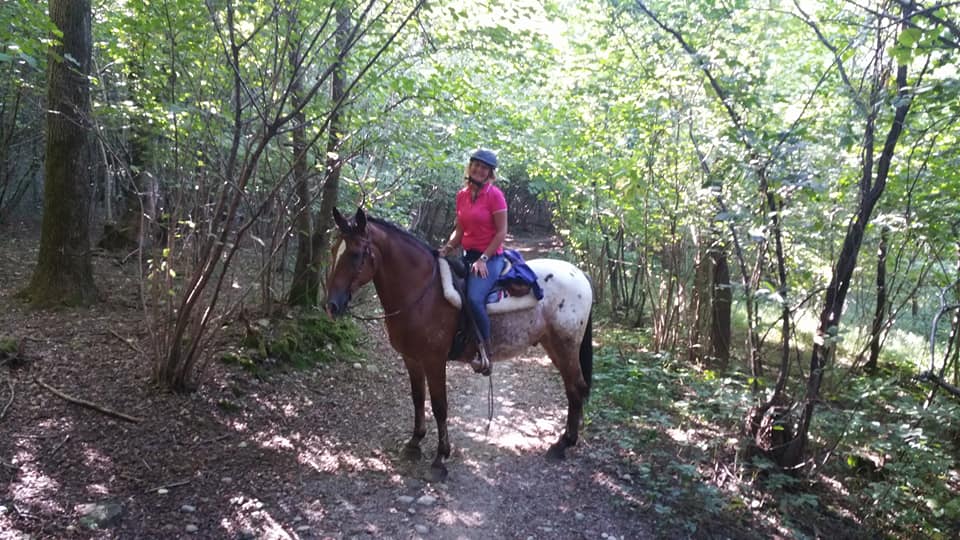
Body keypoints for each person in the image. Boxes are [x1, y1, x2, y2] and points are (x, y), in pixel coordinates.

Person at [438, 149, 507, 375]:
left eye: (484, 167)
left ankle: (486, 352)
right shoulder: (462, 195)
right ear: (470, 167)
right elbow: (459, 231)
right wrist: (447, 248)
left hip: (491, 257)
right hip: (467, 256)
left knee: (474, 299)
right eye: (476, 165)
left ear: (489, 173)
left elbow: (501, 232)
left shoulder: (495, 195)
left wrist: (484, 259)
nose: (479, 170)